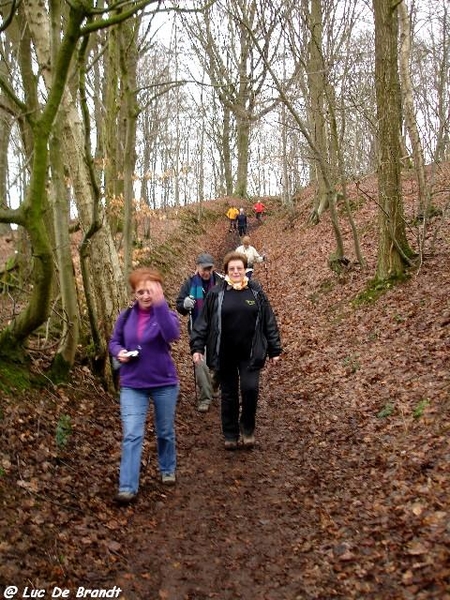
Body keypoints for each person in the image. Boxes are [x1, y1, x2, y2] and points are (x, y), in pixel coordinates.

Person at [190, 251, 282, 450]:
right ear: (226, 272)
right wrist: (197, 347)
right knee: (229, 395)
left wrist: (274, 349)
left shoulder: (256, 292)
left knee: (250, 390)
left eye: (239, 268)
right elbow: (203, 322)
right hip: (225, 354)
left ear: (245, 270)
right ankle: (230, 433)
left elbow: (269, 321)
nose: (236, 271)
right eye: (232, 269)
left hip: (250, 353)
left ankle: (247, 428)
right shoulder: (216, 293)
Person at [109, 267, 180, 503]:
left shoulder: (165, 314)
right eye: (141, 292)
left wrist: (160, 304)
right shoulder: (126, 316)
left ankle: (167, 468)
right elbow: (114, 341)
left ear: (158, 290)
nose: (145, 296)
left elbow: (171, 335)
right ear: (134, 293)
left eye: (150, 291)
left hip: (164, 382)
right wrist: (119, 353)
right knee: (131, 434)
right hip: (132, 384)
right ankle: (127, 486)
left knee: (165, 431)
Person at [176, 253, 222, 412]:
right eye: (204, 269)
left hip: (218, 329)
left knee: (219, 363)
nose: (206, 272)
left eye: (209, 268)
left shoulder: (220, 281)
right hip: (197, 329)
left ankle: (214, 385)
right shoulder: (189, 283)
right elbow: (179, 305)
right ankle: (205, 398)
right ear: (197, 267)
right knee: (200, 362)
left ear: (213, 267)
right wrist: (185, 304)